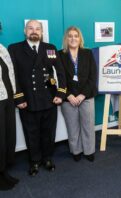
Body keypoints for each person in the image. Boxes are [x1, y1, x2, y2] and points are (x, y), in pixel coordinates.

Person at [8, 20, 66, 176]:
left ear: (42, 32)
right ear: (25, 31)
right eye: (30, 28)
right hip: (27, 101)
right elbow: (12, 76)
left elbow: (60, 72)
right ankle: (34, 161)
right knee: (31, 133)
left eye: (37, 29)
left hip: (49, 99)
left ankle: (47, 158)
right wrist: (18, 98)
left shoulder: (50, 48)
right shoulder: (15, 49)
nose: (34, 31)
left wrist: (60, 93)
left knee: (48, 132)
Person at [59, 26, 97, 162]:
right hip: (68, 98)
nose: (73, 38)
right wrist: (68, 95)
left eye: (76, 36)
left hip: (86, 96)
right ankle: (76, 150)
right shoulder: (60, 55)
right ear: (66, 39)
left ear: (80, 38)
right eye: (70, 36)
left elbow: (93, 77)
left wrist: (82, 95)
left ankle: (89, 150)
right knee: (72, 126)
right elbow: (58, 78)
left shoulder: (87, 53)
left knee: (88, 125)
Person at [0, 44, 19, 190]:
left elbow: (10, 73)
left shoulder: (2, 48)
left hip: (8, 98)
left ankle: (4, 170)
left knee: (8, 135)